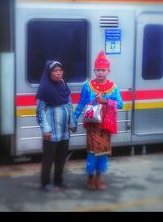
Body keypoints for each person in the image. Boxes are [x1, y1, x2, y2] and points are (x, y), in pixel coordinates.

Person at [74, 51, 123, 190]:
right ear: (94, 70)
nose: (100, 72)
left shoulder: (113, 87)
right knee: (91, 152)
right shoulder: (88, 86)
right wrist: (73, 119)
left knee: (103, 152)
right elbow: (81, 103)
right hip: (92, 125)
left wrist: (106, 101)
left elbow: (120, 104)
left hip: (105, 125)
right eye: (98, 70)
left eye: (103, 70)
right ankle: (90, 178)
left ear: (108, 71)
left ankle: (99, 178)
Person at [36, 60, 78, 192]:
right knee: (48, 158)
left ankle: (59, 180)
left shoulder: (63, 84)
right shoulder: (44, 89)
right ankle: (45, 183)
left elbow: (70, 103)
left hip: (64, 128)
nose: (59, 73)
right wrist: (45, 129)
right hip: (51, 129)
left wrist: (72, 122)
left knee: (61, 156)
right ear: (49, 73)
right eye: (55, 70)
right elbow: (39, 111)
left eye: (60, 70)